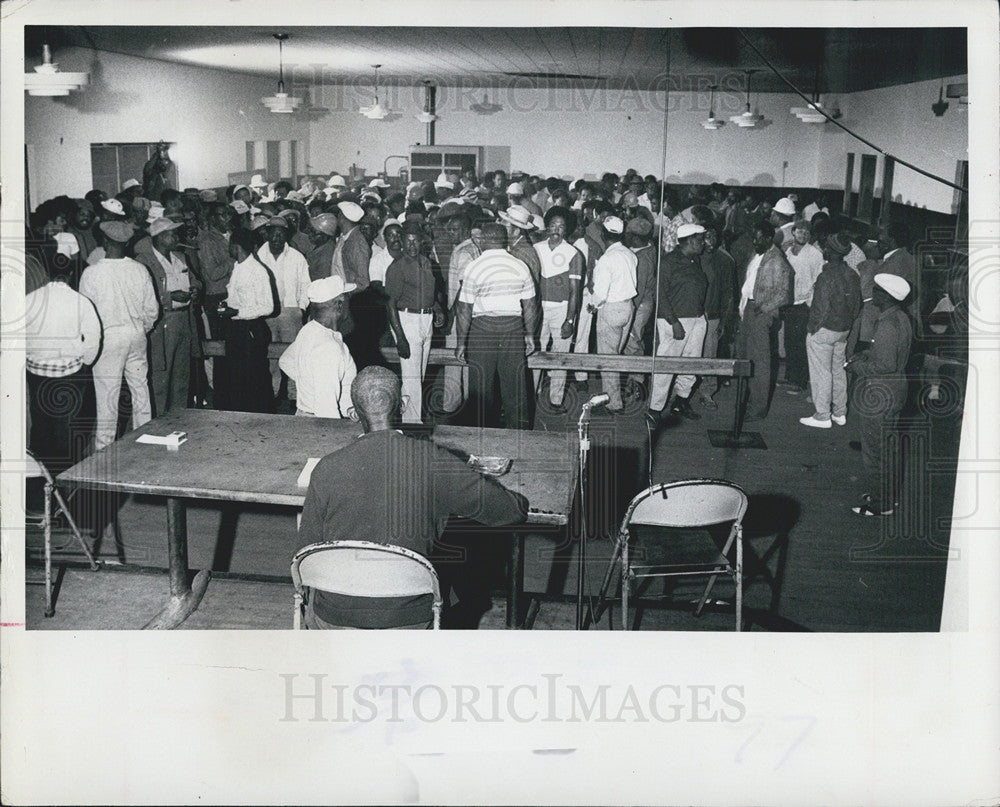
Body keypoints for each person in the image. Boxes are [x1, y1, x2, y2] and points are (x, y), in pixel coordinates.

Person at [297, 366, 529, 629]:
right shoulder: (433, 460)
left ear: (352, 414)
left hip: (335, 619)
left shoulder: (326, 467)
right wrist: (517, 500)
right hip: (408, 621)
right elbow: (508, 512)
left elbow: (305, 555)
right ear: (404, 405)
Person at [78, 222, 159, 450]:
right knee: (140, 389)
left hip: (107, 339)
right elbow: (152, 310)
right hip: (136, 335)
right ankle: (146, 441)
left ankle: (105, 448)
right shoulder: (139, 269)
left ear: (104, 242)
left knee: (107, 396)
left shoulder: (91, 273)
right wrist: (141, 328)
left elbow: (86, 315)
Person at [453, 223, 539, 430]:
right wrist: (529, 335)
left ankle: (481, 439)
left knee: (481, 389)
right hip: (513, 328)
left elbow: (464, 309)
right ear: (504, 241)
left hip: (482, 330)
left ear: (483, 241)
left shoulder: (474, 266)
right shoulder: (519, 265)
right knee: (515, 388)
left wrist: (461, 343)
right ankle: (518, 439)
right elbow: (530, 305)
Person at [25, 257, 101, 479]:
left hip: (37, 374)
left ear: (47, 275)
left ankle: (42, 481)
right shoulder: (80, 301)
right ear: (69, 275)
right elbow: (94, 339)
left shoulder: (29, 300)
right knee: (67, 429)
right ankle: (65, 478)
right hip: (70, 376)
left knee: (41, 425)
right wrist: (86, 361)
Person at [847, 274, 913, 517]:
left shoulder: (887, 324)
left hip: (880, 391)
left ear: (886, 296)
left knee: (875, 450)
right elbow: (888, 356)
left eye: (877, 290)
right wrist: (866, 355)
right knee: (886, 447)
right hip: (895, 387)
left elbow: (883, 365)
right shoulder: (900, 318)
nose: (873, 292)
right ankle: (884, 495)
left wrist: (856, 366)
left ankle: (880, 503)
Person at [133, 217, 201, 416]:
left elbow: (196, 281)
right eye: (171, 233)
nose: (176, 236)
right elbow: (143, 295)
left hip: (183, 321)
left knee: (181, 375)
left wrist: (195, 289)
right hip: (162, 323)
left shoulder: (180, 256)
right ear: (160, 237)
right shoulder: (144, 261)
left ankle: (178, 419)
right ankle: (159, 421)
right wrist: (170, 297)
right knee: (160, 376)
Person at [384, 222, 446, 423]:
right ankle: (412, 425)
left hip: (425, 320)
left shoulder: (426, 262)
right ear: (401, 242)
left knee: (418, 376)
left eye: (415, 241)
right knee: (412, 379)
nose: (411, 246)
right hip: (407, 321)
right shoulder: (396, 267)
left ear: (422, 242)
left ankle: (403, 417)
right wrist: (400, 338)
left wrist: (436, 308)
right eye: (407, 241)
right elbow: (390, 304)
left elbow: (428, 292)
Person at [646, 223, 708, 423]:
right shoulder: (668, 262)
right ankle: (654, 409)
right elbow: (660, 294)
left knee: (691, 364)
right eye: (700, 240)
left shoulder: (695, 259)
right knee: (666, 365)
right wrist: (673, 321)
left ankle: (681, 401)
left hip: (697, 319)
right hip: (675, 321)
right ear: (689, 240)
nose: (703, 243)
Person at [799, 232, 862, 429]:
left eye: (826, 247)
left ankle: (822, 415)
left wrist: (812, 329)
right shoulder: (852, 274)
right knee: (837, 370)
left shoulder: (826, 275)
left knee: (822, 372)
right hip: (843, 330)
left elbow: (820, 307)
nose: (823, 250)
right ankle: (840, 413)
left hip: (825, 329)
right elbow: (857, 304)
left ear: (832, 251)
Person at [217, 228, 281, 413]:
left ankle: (259, 416)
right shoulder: (238, 266)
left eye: (230, 245)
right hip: (237, 328)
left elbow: (268, 307)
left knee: (254, 377)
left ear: (236, 247)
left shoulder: (257, 271)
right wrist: (227, 305)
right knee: (238, 377)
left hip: (251, 330)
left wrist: (236, 310)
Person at [736, 222, 794, 422]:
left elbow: (784, 295)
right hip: (750, 309)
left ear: (768, 239)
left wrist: (764, 308)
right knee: (745, 356)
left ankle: (758, 408)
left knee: (760, 361)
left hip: (760, 312)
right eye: (754, 237)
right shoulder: (759, 255)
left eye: (758, 238)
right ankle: (747, 400)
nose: (754, 241)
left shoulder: (776, 260)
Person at [278, 276, 358, 418]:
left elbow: (285, 361)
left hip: (306, 416)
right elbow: (326, 410)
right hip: (320, 423)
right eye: (348, 299)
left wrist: (311, 383)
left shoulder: (309, 330)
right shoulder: (329, 347)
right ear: (339, 305)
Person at [532, 206, 583, 412]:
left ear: (567, 230)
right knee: (535, 352)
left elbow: (575, 292)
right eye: (553, 224)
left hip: (561, 309)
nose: (556, 229)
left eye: (561, 226)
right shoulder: (536, 248)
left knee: (560, 355)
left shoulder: (574, 254)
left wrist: (569, 320)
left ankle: (556, 400)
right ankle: (531, 393)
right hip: (537, 309)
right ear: (547, 226)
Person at [257, 216, 310, 400]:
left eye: (281, 234)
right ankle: (273, 391)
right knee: (270, 355)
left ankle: (294, 394)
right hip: (267, 314)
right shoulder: (257, 257)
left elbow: (305, 285)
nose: (277, 238)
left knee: (294, 354)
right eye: (273, 233)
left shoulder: (297, 257)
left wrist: (300, 308)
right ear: (267, 233)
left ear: (286, 235)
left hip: (290, 313)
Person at [588, 216, 637, 413]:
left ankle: (613, 403)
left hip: (612, 309)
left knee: (608, 359)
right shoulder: (630, 254)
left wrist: (591, 306)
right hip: (628, 308)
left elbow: (599, 294)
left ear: (602, 234)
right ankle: (615, 397)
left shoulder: (607, 259)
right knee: (616, 356)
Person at [780, 218, 825, 395]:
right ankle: (790, 377)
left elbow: (818, 281)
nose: (803, 234)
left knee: (800, 344)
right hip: (789, 303)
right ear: (793, 232)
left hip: (804, 305)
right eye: (800, 231)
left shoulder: (815, 254)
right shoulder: (788, 251)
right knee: (789, 342)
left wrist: (811, 305)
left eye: (807, 232)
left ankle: (799, 382)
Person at [441, 210, 480, 414]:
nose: (450, 233)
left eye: (455, 230)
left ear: (465, 230)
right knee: (465, 357)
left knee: (454, 358)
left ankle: (451, 404)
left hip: (461, 312)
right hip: (468, 312)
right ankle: (465, 402)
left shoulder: (464, 252)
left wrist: (451, 314)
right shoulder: (470, 248)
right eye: (449, 229)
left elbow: (464, 286)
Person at [695, 226, 737, 408]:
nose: (709, 241)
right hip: (691, 314)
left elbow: (729, 293)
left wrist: (725, 321)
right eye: (706, 237)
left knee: (710, 355)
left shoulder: (725, 260)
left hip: (712, 316)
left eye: (713, 237)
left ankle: (707, 391)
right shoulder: (694, 255)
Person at [622, 216, 658, 402]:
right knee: (635, 341)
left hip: (640, 304)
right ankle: (635, 380)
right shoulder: (646, 250)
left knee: (633, 341)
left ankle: (638, 382)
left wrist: (630, 311)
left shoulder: (642, 258)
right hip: (644, 302)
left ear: (636, 237)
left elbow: (639, 288)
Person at [305, 212, 338, 281]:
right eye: (311, 230)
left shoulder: (326, 256)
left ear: (326, 235)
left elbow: (321, 282)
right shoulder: (320, 246)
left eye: (315, 233)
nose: (310, 234)